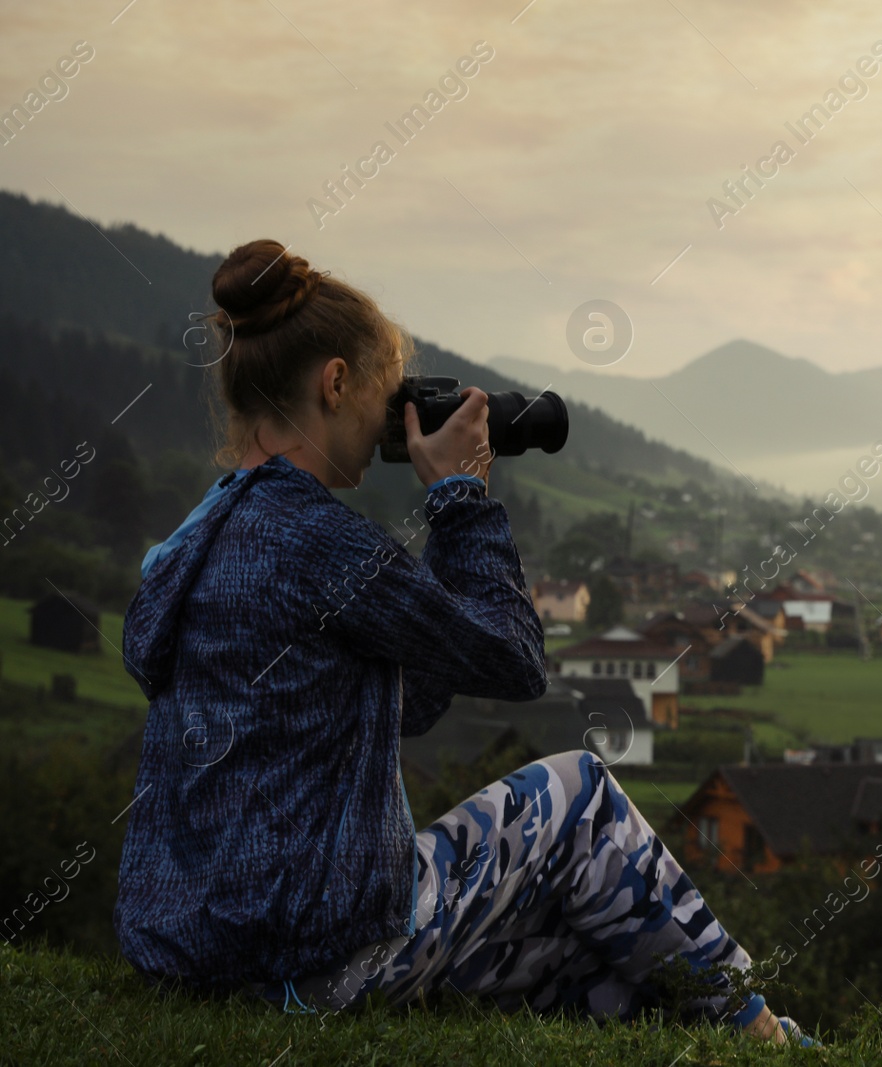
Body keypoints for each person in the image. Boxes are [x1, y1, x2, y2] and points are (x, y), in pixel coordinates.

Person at [113, 239, 802, 1044]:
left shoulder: (195, 541)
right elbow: (514, 659)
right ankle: (765, 1033)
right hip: (313, 954)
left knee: (577, 959)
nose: (386, 425)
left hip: (192, 954)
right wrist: (462, 497)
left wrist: (446, 525)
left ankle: (711, 1040)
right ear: (336, 384)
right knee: (580, 795)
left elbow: (403, 697)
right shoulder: (323, 545)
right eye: (380, 396)